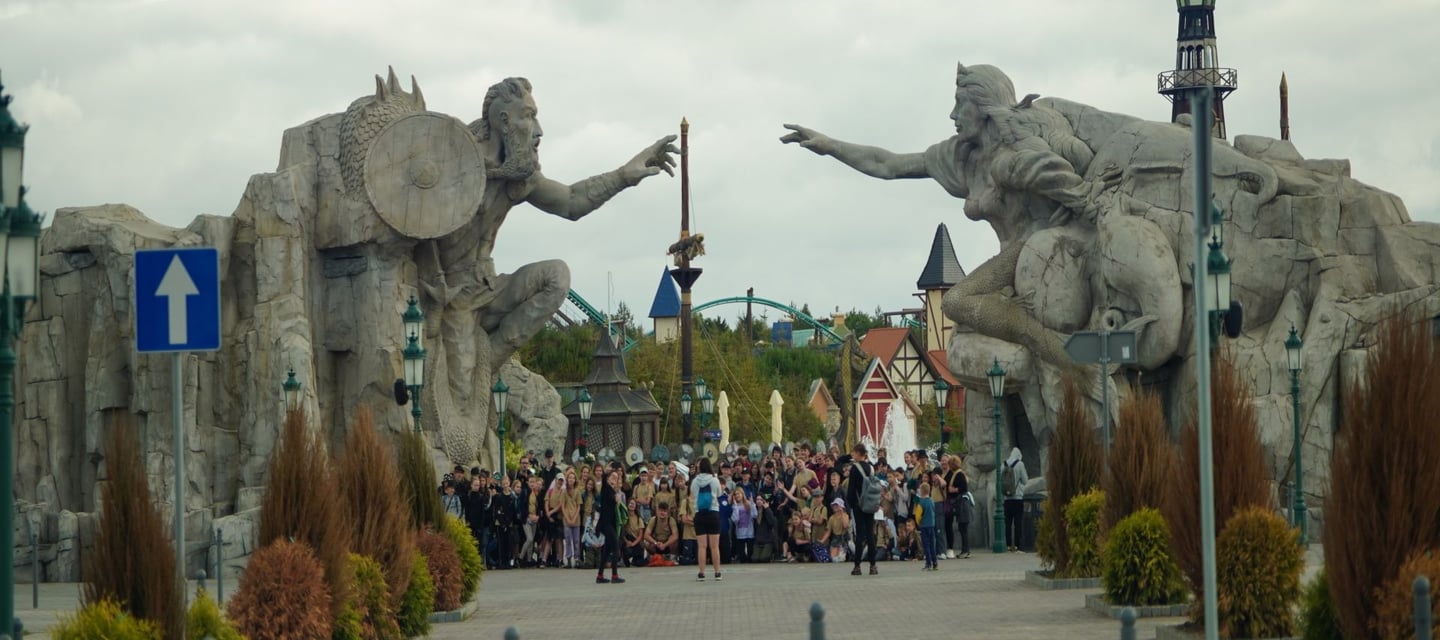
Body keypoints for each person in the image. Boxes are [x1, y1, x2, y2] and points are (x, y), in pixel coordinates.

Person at [835, 443, 880, 576]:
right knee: (871, 535)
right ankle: (873, 566)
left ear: (858, 453)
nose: (852, 455)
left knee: (859, 535)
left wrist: (850, 504)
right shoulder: (871, 468)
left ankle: (857, 566)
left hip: (859, 506)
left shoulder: (855, 468)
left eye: (853, 453)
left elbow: (851, 489)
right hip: (870, 505)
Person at [690, 457, 724, 581]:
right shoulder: (715, 480)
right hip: (713, 513)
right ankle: (717, 572)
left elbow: (693, 494)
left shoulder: (695, 481)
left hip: (699, 514)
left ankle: (701, 572)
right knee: (714, 546)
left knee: (702, 546)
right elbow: (719, 494)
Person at [595, 469, 626, 584]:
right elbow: (603, 477)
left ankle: (600, 575)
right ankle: (614, 575)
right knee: (615, 546)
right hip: (605, 523)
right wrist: (608, 469)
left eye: (616, 477)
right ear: (607, 478)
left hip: (611, 523)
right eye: (612, 476)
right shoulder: (605, 488)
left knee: (607, 550)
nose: (614, 478)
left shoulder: (614, 490)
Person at [945, 455, 973, 559]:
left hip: (962, 503)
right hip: (960, 503)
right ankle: (965, 550)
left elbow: (964, 487)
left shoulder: (959, 474)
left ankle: (966, 550)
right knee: (962, 528)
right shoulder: (958, 473)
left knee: (963, 527)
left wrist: (954, 490)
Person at [1003, 447, 1030, 552]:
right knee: (1018, 523)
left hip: (1006, 499)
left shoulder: (1003, 464)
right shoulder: (1020, 464)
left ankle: (1008, 546)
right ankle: (1018, 546)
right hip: (1017, 498)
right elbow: (1025, 480)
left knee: (1007, 523)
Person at [915, 482, 939, 571]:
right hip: (931, 525)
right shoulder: (932, 501)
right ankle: (935, 562)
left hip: (924, 526)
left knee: (926, 545)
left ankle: (928, 563)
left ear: (921, 491)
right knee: (932, 544)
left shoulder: (921, 503)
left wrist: (919, 523)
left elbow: (918, 516)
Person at [730, 489, 756, 563]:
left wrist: (753, 504)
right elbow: (735, 520)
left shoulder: (748, 503)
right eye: (735, 494)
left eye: (739, 493)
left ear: (742, 494)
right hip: (740, 534)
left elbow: (755, 515)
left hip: (749, 533)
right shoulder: (734, 506)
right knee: (742, 558)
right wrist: (735, 507)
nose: (737, 495)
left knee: (750, 557)